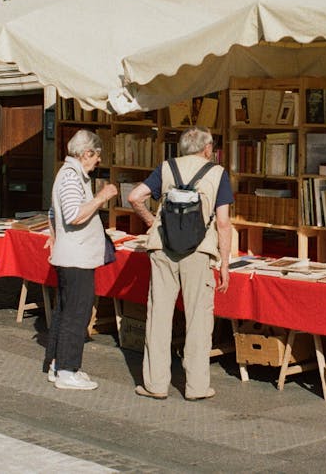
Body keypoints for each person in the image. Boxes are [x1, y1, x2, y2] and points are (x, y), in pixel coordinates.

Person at [127, 126, 233, 401]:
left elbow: (134, 197)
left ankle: (156, 384)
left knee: (159, 315)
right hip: (199, 252)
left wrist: (152, 222)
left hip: (163, 249)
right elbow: (223, 222)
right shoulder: (217, 174)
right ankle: (197, 386)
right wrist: (224, 263)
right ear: (208, 149)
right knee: (199, 318)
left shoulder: (165, 168)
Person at [44, 129, 118, 390]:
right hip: (76, 258)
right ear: (87, 153)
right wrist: (101, 197)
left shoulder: (72, 175)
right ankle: (66, 370)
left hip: (73, 254)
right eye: (96, 156)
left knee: (66, 311)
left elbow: (54, 213)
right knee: (77, 313)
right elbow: (74, 214)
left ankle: (57, 364)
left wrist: (55, 236)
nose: (98, 161)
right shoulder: (71, 177)